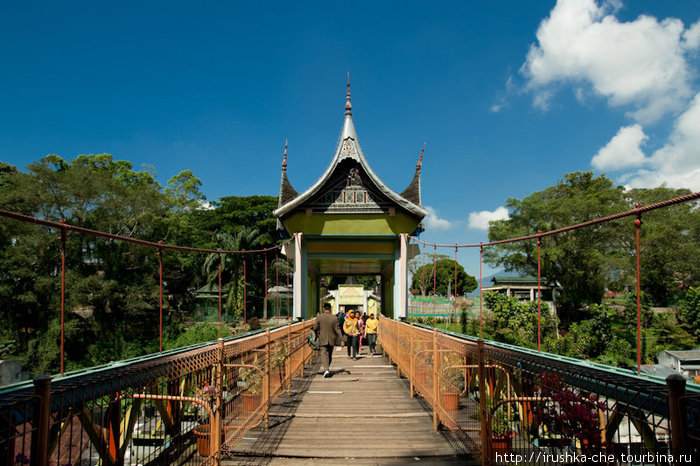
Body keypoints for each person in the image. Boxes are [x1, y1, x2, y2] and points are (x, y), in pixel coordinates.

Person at [313, 302, 342, 378]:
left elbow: (315, 327)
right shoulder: (334, 318)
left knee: (323, 354)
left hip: (322, 338)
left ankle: (326, 370)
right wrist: (342, 339)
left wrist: (314, 329)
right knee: (329, 355)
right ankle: (327, 369)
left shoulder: (319, 317)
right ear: (330, 309)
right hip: (332, 339)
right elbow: (338, 330)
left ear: (323, 309)